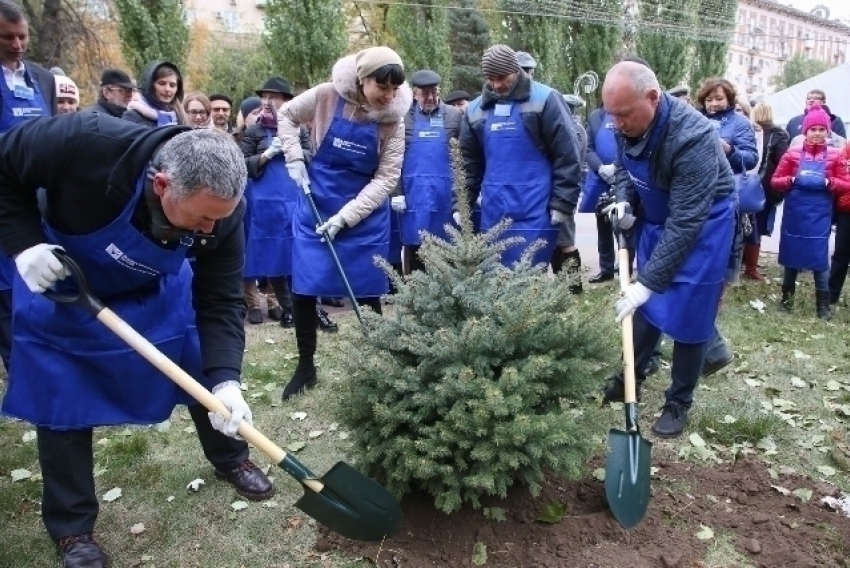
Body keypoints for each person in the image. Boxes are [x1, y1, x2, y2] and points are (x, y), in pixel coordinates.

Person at [0, 118, 274, 568]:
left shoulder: (223, 215)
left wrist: (227, 382)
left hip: (154, 292)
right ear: (163, 183)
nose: (208, 231)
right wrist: (24, 244)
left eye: (218, 219)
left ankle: (231, 457)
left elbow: (220, 298)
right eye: (202, 217)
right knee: (61, 397)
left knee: (201, 363)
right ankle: (72, 529)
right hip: (65, 286)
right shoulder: (83, 143)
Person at [601, 61, 736, 438]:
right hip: (660, 214)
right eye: (611, 114)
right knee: (644, 307)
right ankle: (631, 377)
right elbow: (624, 168)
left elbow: (687, 222)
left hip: (704, 222)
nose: (616, 123)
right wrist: (625, 203)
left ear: (653, 98)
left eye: (624, 114)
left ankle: (679, 401)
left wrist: (648, 282)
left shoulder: (693, 138)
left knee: (691, 310)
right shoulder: (623, 122)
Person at [276, 46, 411, 400]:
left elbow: (385, 179)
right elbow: (287, 114)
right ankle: (306, 366)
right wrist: (294, 158)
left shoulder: (393, 121)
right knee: (304, 286)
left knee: (367, 290)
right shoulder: (324, 96)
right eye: (382, 88)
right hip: (316, 205)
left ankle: (380, 368)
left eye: (395, 90)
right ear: (362, 79)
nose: (389, 96)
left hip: (363, 214)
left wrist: (346, 216)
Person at [458, 44, 582, 269]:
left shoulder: (546, 99)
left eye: (502, 77)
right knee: (495, 277)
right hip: (494, 210)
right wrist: (461, 205)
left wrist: (563, 202)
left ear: (516, 70)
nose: (496, 85)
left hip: (537, 207)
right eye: (490, 79)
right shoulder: (475, 110)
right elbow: (468, 163)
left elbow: (567, 153)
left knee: (529, 275)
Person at [0, 0, 57, 373]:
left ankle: (42, 359)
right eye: (7, 37)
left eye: (22, 36)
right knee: (6, 285)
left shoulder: (43, 78)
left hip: (40, 193)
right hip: (3, 194)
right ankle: (18, 365)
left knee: (42, 277)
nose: (17, 44)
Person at [695, 77, 758, 375]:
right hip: (697, 200)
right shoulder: (696, 121)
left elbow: (751, 158)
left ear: (729, 99)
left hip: (726, 203)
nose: (713, 104)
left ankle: (708, 327)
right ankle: (705, 334)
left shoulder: (741, 124)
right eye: (709, 99)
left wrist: (729, 149)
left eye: (719, 98)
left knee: (717, 267)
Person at [771, 103, 848, 320]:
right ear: (806, 131)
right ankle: (786, 300)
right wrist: (792, 180)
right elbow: (776, 181)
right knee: (791, 255)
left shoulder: (835, 155)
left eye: (821, 130)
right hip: (795, 213)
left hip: (819, 215)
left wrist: (828, 182)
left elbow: (846, 184)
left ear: (828, 131)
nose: (817, 134)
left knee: (819, 258)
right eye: (813, 129)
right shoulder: (792, 154)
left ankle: (823, 306)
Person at [240, 77, 301, 328]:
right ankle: (271, 304)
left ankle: (297, 306)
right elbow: (243, 164)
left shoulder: (299, 129)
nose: (267, 102)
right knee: (267, 249)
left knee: (294, 249)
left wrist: (291, 150)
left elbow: (309, 155)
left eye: (274, 97)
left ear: (286, 102)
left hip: (292, 198)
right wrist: (266, 154)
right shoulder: (253, 131)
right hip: (263, 201)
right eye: (265, 97)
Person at [393, 69, 461, 274]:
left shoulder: (453, 116)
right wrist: (397, 193)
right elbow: (394, 158)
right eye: (425, 93)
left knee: (448, 248)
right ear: (415, 93)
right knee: (415, 246)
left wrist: (461, 198)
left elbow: (464, 156)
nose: (430, 97)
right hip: (414, 196)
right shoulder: (403, 118)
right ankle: (414, 298)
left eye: (434, 92)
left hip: (446, 195)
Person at [743, 102, 789, 281]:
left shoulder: (749, 130)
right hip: (767, 186)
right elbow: (782, 161)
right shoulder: (779, 134)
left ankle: (746, 263)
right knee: (758, 226)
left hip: (747, 184)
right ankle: (751, 267)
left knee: (746, 223)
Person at [122, 60, 187, 127]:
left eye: (172, 85)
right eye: (162, 83)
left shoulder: (179, 116)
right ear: (150, 85)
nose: (168, 89)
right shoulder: (132, 116)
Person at [829, 143, 850, 304]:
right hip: (847, 207)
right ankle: (832, 294)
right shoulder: (847, 149)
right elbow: (839, 172)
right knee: (841, 253)